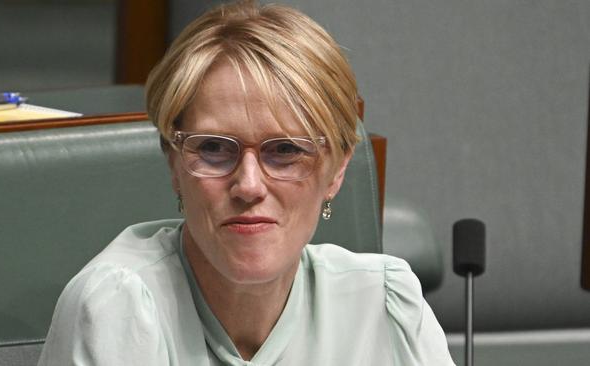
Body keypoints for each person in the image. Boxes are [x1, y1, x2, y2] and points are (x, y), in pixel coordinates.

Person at [38, 1, 455, 365]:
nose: (249, 185)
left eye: (286, 151)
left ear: (338, 169)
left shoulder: (384, 303)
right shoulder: (121, 307)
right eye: (215, 149)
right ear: (173, 164)